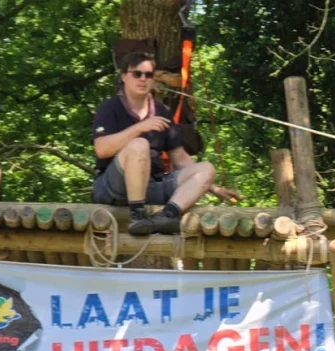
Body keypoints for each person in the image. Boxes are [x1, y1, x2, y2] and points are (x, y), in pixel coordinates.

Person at [92, 52, 240, 236]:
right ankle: (137, 216)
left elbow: (180, 159)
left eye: (148, 75)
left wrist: (214, 188)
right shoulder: (109, 107)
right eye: (137, 74)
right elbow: (102, 149)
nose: (143, 79)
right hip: (113, 187)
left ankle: (167, 216)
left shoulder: (162, 111)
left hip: (151, 185)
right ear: (124, 76)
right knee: (139, 145)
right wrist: (139, 128)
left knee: (207, 168)